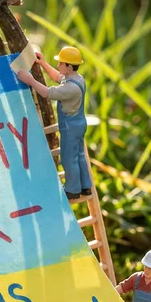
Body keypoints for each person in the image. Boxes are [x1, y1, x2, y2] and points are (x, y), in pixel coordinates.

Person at [16, 46, 90, 200]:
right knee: (79, 156)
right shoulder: (77, 78)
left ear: (69, 66)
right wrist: (43, 64)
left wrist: (30, 80)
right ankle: (85, 186)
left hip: (71, 126)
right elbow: (58, 77)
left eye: (61, 63)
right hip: (79, 123)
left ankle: (72, 189)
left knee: (69, 158)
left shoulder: (70, 88)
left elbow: (48, 93)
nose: (58, 66)